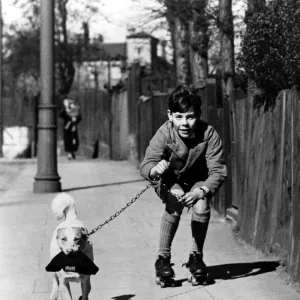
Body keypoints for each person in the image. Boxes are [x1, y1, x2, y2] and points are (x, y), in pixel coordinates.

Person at [140, 85, 227, 285]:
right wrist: (155, 170)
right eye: (179, 117)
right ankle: (163, 259)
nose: (184, 123)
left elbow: (218, 170)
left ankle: (196, 257)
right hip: (170, 179)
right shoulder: (164, 133)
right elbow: (146, 164)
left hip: (199, 179)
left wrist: (201, 191)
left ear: (198, 114)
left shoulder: (209, 134)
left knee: (202, 205)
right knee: (175, 203)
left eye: (190, 117)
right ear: (170, 115)